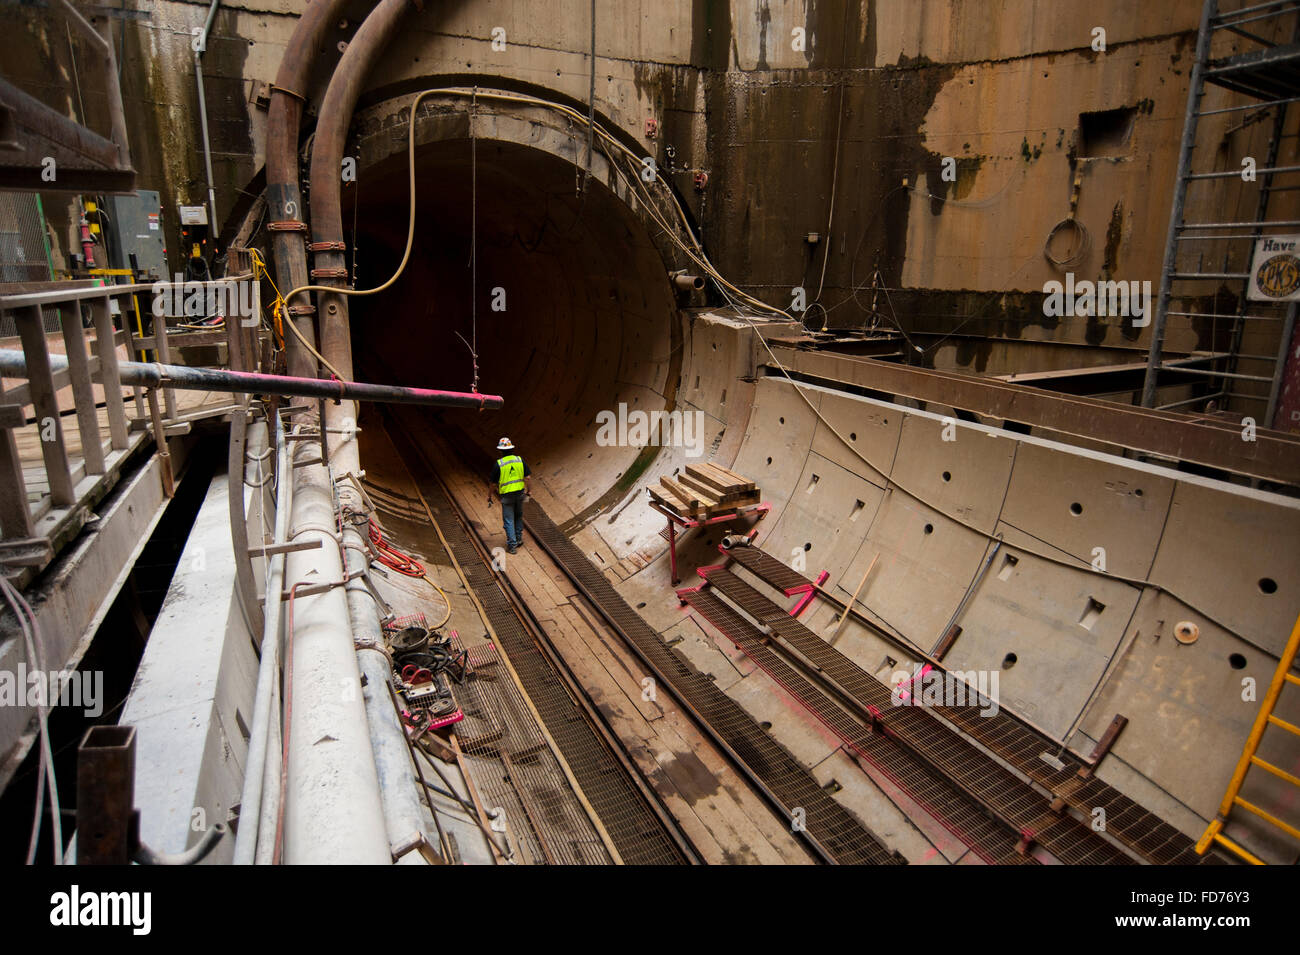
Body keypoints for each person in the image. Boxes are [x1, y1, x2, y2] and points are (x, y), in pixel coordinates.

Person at [488, 437, 530, 554]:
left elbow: (493, 484)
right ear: (512, 449)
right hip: (520, 494)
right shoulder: (519, 460)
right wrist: (529, 491)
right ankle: (519, 538)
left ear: (501, 451)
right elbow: (527, 478)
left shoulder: (499, 464)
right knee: (518, 516)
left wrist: (489, 496)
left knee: (508, 520)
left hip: (507, 497)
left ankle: (512, 546)